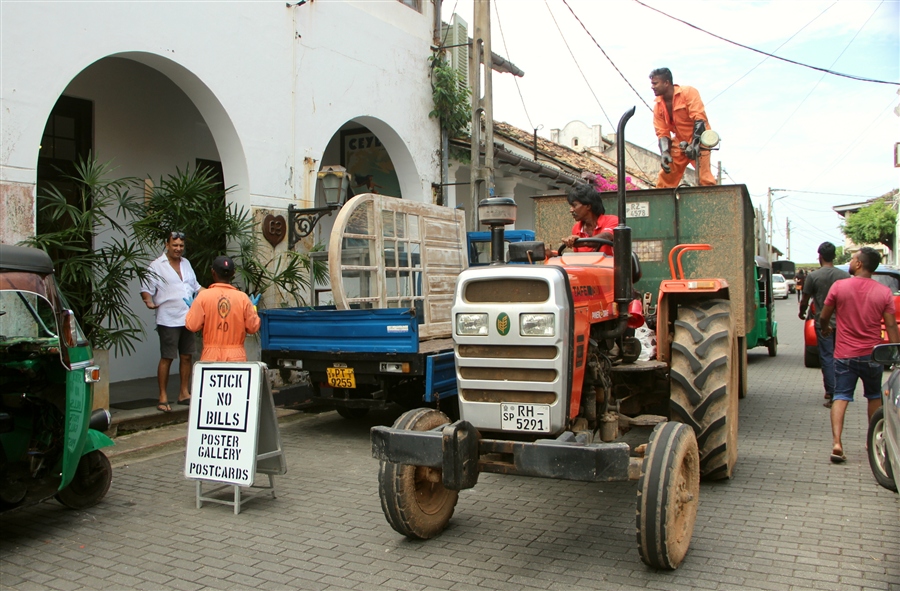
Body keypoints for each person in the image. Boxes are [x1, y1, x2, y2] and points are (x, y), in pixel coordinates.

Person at [818, 247, 900, 463]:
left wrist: (825, 328)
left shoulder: (839, 287)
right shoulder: (884, 292)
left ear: (860, 264)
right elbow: (891, 325)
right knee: (873, 396)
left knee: (841, 396)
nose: (851, 261)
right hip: (873, 355)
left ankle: (837, 443)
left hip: (844, 354)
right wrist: (895, 352)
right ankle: (871, 441)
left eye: (853, 258)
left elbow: (824, 316)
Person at [140, 231, 203, 412]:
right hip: (168, 318)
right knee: (167, 357)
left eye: (181, 246)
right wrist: (148, 300)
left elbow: (197, 287)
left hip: (188, 316)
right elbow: (146, 289)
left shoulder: (186, 263)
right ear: (167, 245)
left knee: (186, 356)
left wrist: (219, 293)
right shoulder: (156, 266)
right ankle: (162, 397)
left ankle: (184, 393)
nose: (178, 249)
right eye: (175, 245)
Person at [799, 243, 850, 408]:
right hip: (842, 324)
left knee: (827, 357)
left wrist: (802, 312)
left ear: (819, 256)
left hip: (823, 323)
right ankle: (840, 391)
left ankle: (832, 392)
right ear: (834, 256)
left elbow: (805, 299)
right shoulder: (845, 276)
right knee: (841, 357)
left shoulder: (813, 276)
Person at [650, 67, 716, 188]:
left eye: (655, 83)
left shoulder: (688, 92)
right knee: (665, 177)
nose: (652, 87)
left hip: (700, 138)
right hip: (680, 140)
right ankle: (663, 198)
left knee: (704, 178)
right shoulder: (658, 106)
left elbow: (699, 118)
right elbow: (662, 132)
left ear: (666, 83)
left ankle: (710, 197)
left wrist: (695, 144)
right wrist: (665, 152)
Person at [185, 255, 260, 362]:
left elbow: (192, 326)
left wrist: (192, 309)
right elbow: (253, 327)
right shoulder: (243, 298)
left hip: (211, 357)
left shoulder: (203, 297)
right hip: (236, 357)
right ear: (233, 273)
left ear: (213, 272)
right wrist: (253, 308)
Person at [562, 183, 618, 252]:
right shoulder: (576, 228)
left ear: (588, 206)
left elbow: (606, 237)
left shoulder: (612, 220)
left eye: (574, 205)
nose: (571, 210)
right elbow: (577, 256)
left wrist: (580, 242)